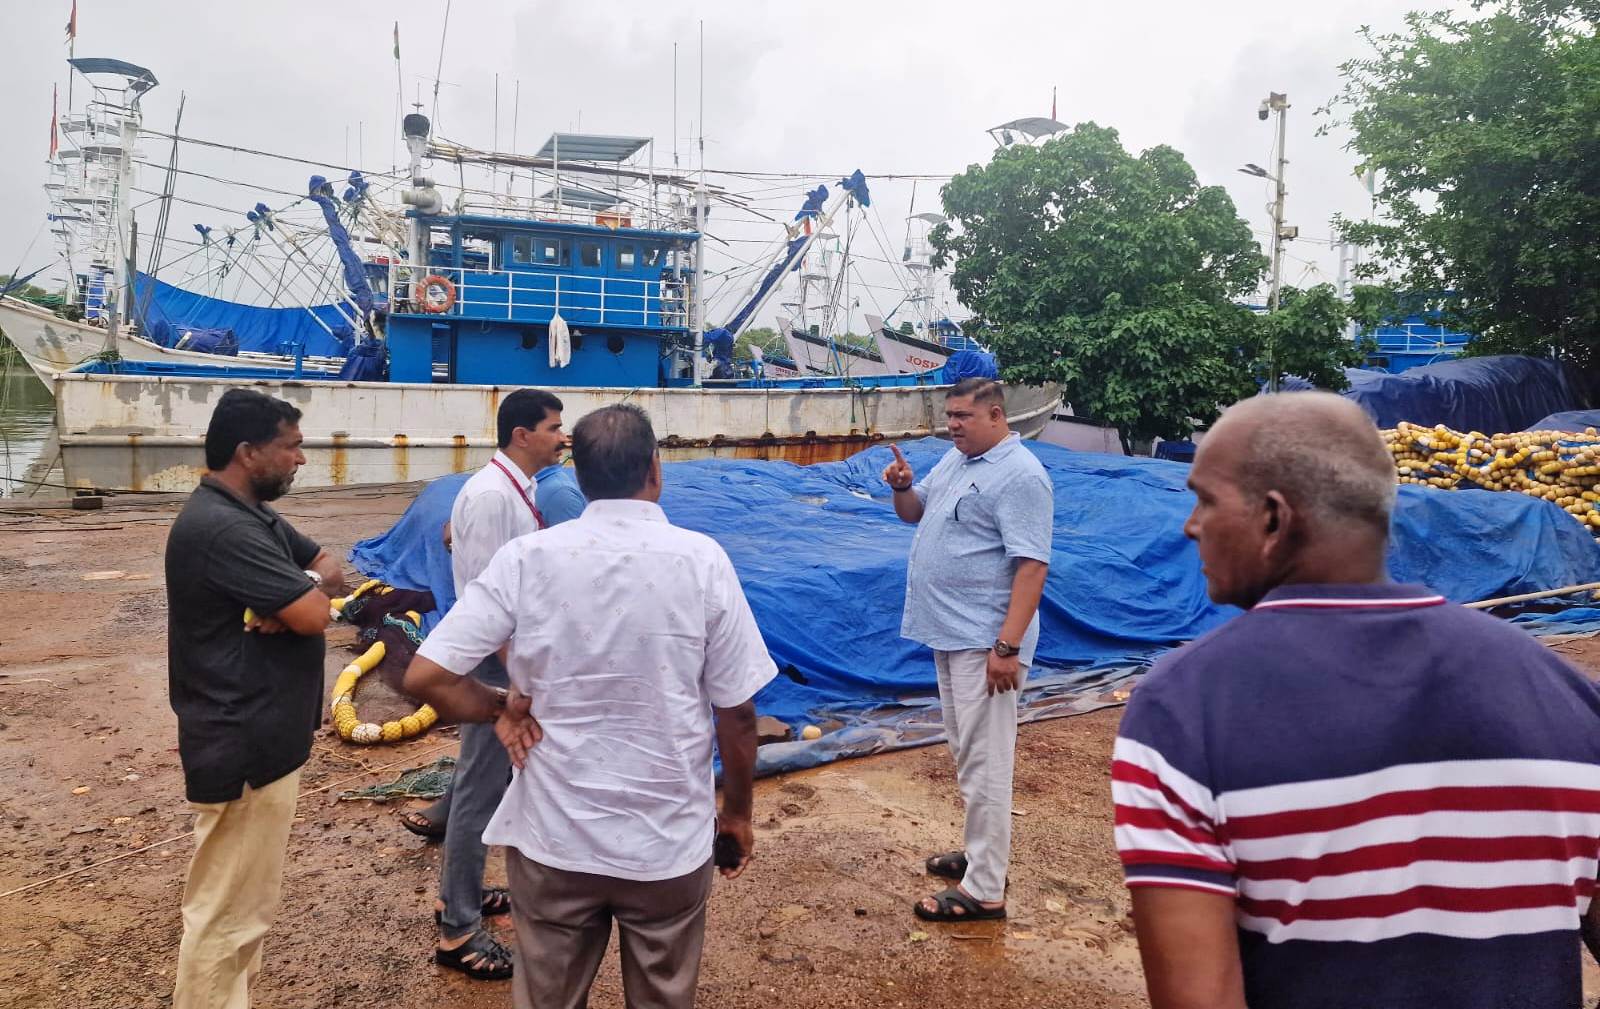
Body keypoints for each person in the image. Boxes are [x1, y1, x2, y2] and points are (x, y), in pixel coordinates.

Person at [1113, 391, 1600, 1009]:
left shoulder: (1181, 710)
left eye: (1206, 500)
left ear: (1273, 518)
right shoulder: (1568, 696)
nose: (1191, 525)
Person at [403, 403, 774, 1009]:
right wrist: (736, 815)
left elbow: (428, 673)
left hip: (554, 842)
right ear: (656, 469)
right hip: (665, 844)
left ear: (578, 475)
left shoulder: (528, 559)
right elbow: (737, 714)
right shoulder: (702, 560)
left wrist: (499, 707)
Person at [166, 388, 346, 1009]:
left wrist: (296, 592)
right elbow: (317, 613)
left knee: (247, 914)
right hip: (240, 743)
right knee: (226, 917)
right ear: (248, 452)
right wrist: (299, 601)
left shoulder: (251, 513)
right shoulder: (220, 528)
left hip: (264, 741)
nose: (301, 460)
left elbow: (330, 569)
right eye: (291, 447)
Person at [404, 388, 569, 981]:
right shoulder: (495, 498)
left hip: (500, 657)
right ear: (522, 435)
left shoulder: (507, 492)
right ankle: (458, 927)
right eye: (553, 428)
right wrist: (515, 681)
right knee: (477, 791)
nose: (561, 436)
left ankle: (467, 893)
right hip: (494, 662)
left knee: (485, 786)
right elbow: (491, 599)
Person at [882, 377, 1054, 922]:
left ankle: (985, 890)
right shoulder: (958, 461)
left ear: (997, 416)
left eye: (962, 416)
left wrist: (1006, 646)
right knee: (967, 754)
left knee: (986, 762)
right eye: (950, 415)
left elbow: (1032, 566)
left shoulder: (1022, 476)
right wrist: (902, 486)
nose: (952, 424)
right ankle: (983, 856)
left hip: (986, 642)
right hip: (950, 632)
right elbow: (914, 513)